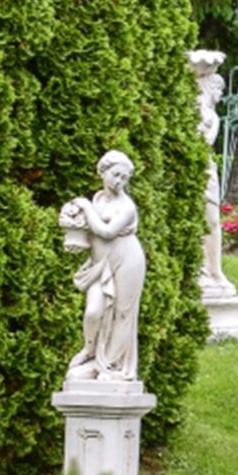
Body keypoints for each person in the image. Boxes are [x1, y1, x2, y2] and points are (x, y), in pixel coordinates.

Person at [59, 151, 146, 382]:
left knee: (123, 313)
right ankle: (90, 351)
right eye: (116, 175)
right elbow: (89, 232)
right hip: (101, 263)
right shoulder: (98, 199)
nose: (119, 182)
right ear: (103, 172)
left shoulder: (126, 207)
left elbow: (107, 232)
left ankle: (111, 367)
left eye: (124, 178)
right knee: (94, 311)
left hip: (128, 260)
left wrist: (84, 207)